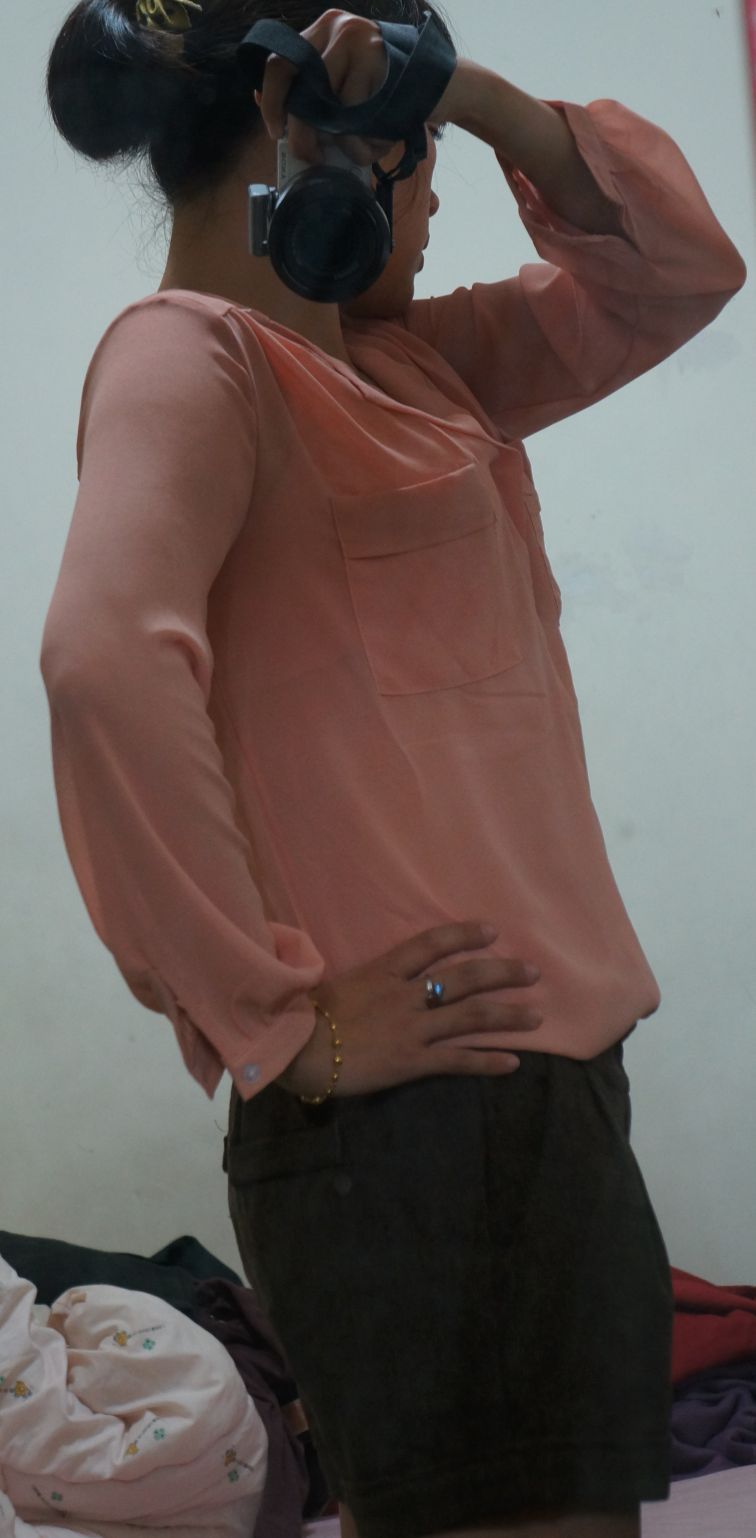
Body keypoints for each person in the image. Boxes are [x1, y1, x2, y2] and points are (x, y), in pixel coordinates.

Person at [41, 3, 747, 1537]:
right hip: (414, 1130)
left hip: (543, 1100)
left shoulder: (420, 367)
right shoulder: (193, 358)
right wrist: (279, 1022)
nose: (434, 196)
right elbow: (100, 662)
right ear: (287, 118)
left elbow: (683, 269)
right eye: (418, 155)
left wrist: (464, 92)